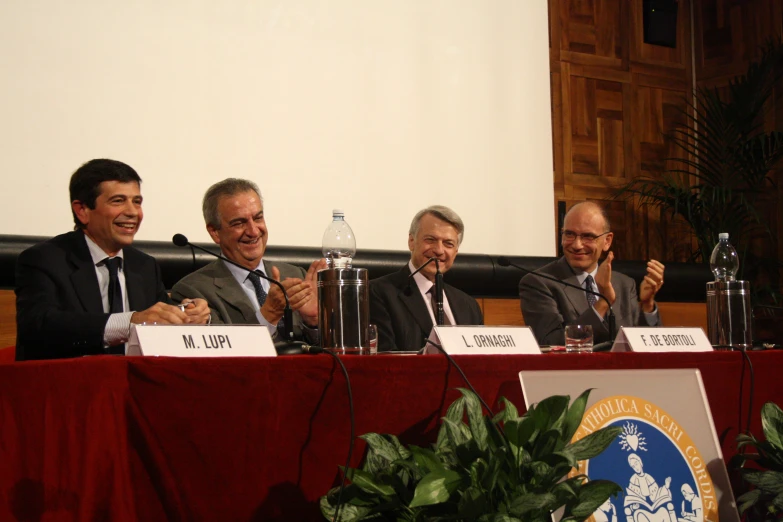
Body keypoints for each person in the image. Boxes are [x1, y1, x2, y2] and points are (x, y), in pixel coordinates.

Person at [15, 159, 210, 361]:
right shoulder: (44, 259)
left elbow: (160, 323)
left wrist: (187, 315)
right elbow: (39, 326)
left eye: (137, 201)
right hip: (67, 385)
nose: (133, 212)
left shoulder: (144, 266)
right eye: (118, 201)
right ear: (82, 210)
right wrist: (129, 322)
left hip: (133, 386)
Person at [171, 179, 324, 343]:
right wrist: (269, 314)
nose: (253, 231)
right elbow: (222, 356)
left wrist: (313, 322)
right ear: (215, 232)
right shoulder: (194, 291)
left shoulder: (296, 275)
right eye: (239, 223)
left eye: (258, 218)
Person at [519, 201, 665, 345]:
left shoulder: (624, 284)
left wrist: (647, 305)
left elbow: (641, 346)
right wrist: (603, 303)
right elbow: (551, 342)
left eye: (588, 236)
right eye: (569, 234)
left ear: (607, 241)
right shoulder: (539, 283)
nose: (577, 245)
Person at [369, 205, 483, 351]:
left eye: (448, 243)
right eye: (430, 240)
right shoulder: (378, 293)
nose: (439, 250)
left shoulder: (469, 306)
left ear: (456, 251)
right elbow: (384, 360)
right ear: (411, 241)